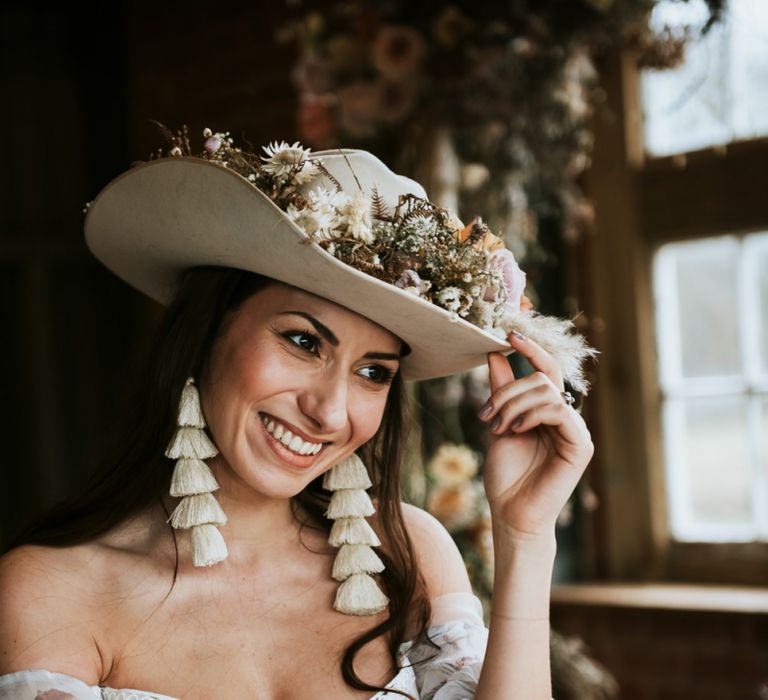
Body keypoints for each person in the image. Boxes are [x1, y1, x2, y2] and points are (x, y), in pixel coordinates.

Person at [0, 130, 595, 699]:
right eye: (304, 343)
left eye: (373, 372)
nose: (328, 411)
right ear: (204, 336)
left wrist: (525, 536)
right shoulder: (50, 590)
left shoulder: (410, 553)